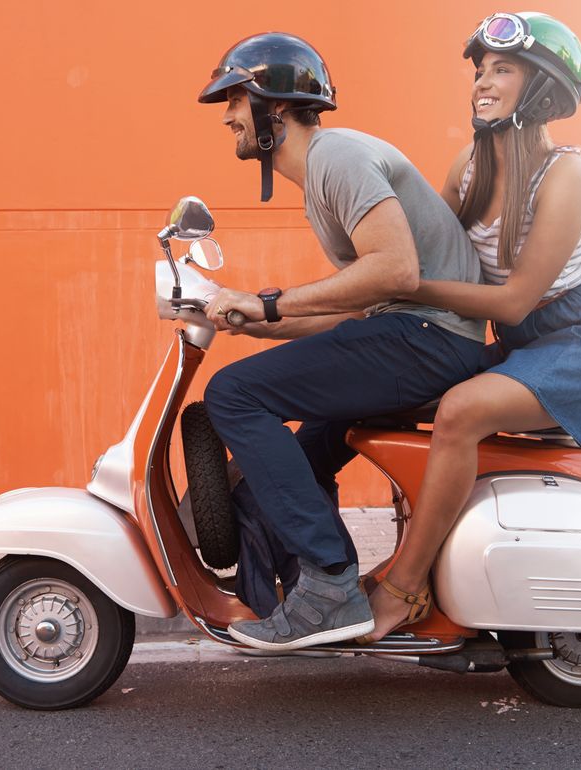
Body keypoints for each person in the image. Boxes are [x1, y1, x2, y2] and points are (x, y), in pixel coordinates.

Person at [196, 32, 486, 651]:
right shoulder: (326, 171)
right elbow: (353, 306)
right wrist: (252, 317)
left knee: (234, 396)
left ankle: (330, 584)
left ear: (272, 105)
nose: (226, 117)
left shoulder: (336, 157)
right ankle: (310, 591)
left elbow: (395, 272)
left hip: (429, 339)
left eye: (234, 101)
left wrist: (269, 302)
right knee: (300, 458)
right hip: (411, 334)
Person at [364, 11, 581, 641]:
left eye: (504, 69)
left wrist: (401, 282)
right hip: (522, 344)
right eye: (481, 70)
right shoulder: (470, 164)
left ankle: (404, 587)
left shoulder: (569, 172)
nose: (483, 83)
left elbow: (516, 299)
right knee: (373, 390)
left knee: (461, 409)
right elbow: (427, 255)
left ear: (542, 88)